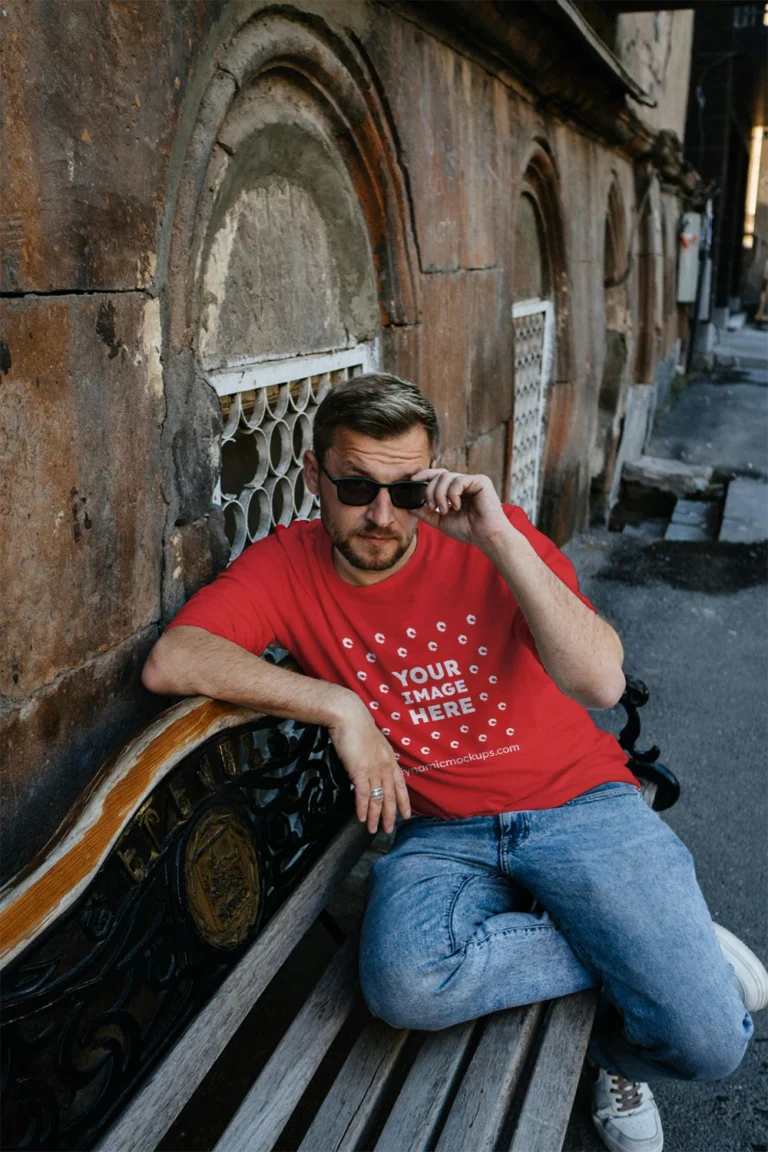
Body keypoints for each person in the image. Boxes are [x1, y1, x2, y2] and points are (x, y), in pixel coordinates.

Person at [142, 373, 767, 1152]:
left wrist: (500, 538)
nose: (379, 515)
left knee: (712, 1041)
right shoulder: (287, 565)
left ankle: (616, 1047)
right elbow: (175, 659)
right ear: (312, 478)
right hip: (443, 832)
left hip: (581, 801)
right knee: (403, 982)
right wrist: (342, 706)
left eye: (403, 492)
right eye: (354, 486)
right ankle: (653, 945)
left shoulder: (488, 538)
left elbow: (601, 681)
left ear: (432, 476)